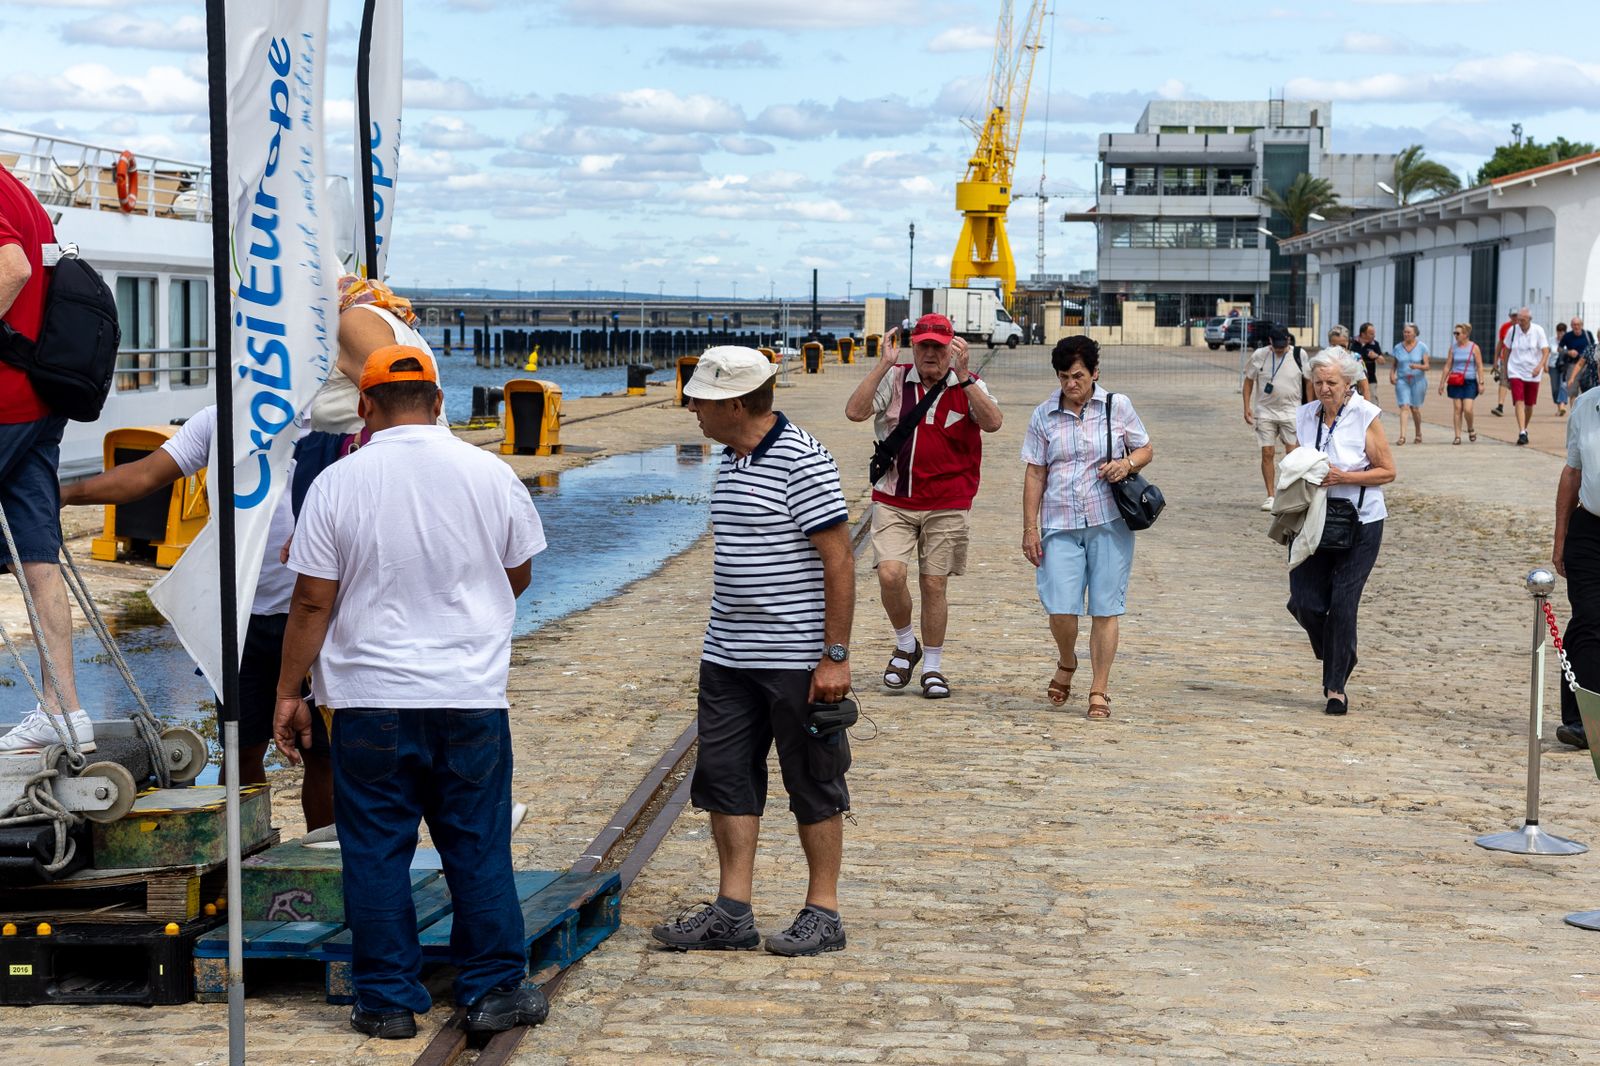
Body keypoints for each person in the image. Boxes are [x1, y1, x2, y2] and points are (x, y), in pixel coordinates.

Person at [273, 344, 548, 1039]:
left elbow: (310, 602)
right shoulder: (489, 472)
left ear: (364, 407)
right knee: (477, 846)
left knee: (375, 850)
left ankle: (388, 1001)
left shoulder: (338, 480)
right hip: (469, 696)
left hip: (368, 699)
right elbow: (516, 575)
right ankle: (492, 992)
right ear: (439, 401)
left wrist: (288, 693)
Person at [653, 346, 855, 958]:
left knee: (813, 783)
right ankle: (732, 910)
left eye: (702, 400)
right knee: (725, 780)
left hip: (794, 660)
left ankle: (824, 911)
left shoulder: (803, 461)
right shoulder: (733, 459)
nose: (691, 408)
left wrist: (835, 656)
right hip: (728, 655)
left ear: (736, 404)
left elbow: (840, 559)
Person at [59, 406, 333, 828]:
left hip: (318, 614)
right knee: (241, 751)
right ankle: (244, 859)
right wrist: (61, 493)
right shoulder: (221, 415)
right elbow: (144, 475)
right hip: (240, 617)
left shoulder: (331, 420)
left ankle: (328, 865)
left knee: (324, 753)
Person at [843, 313, 1003, 698]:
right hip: (894, 498)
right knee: (890, 575)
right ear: (913, 347)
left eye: (938, 346)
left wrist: (965, 379)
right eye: (923, 345)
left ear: (953, 349)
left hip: (948, 501)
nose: (930, 353)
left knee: (934, 584)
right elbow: (855, 411)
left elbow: (994, 422)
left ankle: (932, 666)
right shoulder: (895, 379)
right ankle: (905, 642)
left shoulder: (969, 384)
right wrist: (882, 363)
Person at [0, 163, 93, 754]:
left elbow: (13, 267)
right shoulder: (18, 187)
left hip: (5, 395)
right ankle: (65, 712)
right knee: (38, 555)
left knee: (36, 557)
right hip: (38, 396)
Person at [1021, 336, 1153, 721]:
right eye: (1063, 377)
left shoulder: (1118, 406)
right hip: (1059, 523)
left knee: (1104, 608)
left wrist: (1127, 465)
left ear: (1095, 372)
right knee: (1060, 607)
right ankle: (1067, 660)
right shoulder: (1043, 415)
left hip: (1109, 521)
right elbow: (1034, 472)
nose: (1070, 384)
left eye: (1077, 376)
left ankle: (1099, 688)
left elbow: (1145, 448)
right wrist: (1030, 527)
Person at [1288, 350, 1396, 716]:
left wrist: (1344, 477)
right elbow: (1295, 464)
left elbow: (1387, 472)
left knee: (1343, 604)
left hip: (1361, 521)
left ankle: (1335, 688)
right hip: (1314, 520)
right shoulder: (1304, 416)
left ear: (1347, 382)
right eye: (1317, 382)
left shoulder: (1364, 415)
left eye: (1331, 382)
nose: (1324, 389)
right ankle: (1340, 650)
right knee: (1304, 601)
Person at [1552, 385, 1600, 749]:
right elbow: (1572, 471)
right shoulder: (1586, 405)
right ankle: (1583, 722)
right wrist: (1560, 537)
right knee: (1589, 616)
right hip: (1589, 530)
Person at [1242, 326, 1307, 511]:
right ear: (1270, 341)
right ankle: (1270, 495)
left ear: (1288, 340)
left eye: (1283, 345)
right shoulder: (1259, 355)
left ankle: (1289, 493)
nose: (1280, 349)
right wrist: (1246, 407)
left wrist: (1310, 409)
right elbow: (1248, 381)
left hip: (1291, 411)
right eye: (1277, 346)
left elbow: (1309, 382)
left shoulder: (1299, 355)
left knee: (1293, 454)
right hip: (1265, 411)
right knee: (1267, 452)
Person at [1498, 307, 1550, 446]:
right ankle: (1521, 431)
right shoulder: (1513, 330)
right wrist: (1505, 369)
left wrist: (1540, 366)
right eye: (1519, 319)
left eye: (1523, 320)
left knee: (1529, 404)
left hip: (1533, 373)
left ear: (1529, 319)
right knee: (1518, 401)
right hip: (1515, 370)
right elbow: (1506, 350)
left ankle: (1524, 428)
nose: (1520, 322)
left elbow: (1545, 351)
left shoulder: (1538, 330)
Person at [1436, 323, 1483, 445]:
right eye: (1454, 333)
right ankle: (1457, 436)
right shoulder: (1453, 348)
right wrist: (1441, 383)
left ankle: (1470, 428)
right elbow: (1447, 366)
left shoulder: (1474, 347)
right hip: (1455, 380)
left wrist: (1481, 382)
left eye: (1458, 333)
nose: (1455, 336)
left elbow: (1479, 365)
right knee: (1457, 408)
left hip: (1470, 381)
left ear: (1466, 334)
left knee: (1467, 409)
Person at [1388, 323, 1430, 445]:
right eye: (1405, 332)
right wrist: (1392, 375)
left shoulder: (1422, 347)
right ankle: (1402, 436)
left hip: (1418, 380)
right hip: (1402, 380)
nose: (1406, 334)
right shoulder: (1398, 347)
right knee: (1404, 406)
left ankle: (1418, 433)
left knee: (1415, 408)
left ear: (1415, 334)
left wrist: (1417, 366)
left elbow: (1427, 366)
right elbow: (1395, 364)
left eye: (1409, 332)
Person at [1323, 325, 1370, 401]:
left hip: (1351, 404)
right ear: (1329, 343)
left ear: (1348, 343)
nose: (1339, 350)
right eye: (1334, 346)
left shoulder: (1356, 358)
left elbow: (1365, 387)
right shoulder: (1323, 358)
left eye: (1342, 346)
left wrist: (1367, 409)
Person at [1492, 307, 1519, 417]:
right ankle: (1500, 406)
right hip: (1505, 359)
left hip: (1519, 360)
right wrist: (1495, 360)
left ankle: (1519, 404)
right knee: (1503, 380)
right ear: (1510, 316)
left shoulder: (1524, 328)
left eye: (1517, 315)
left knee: (1516, 383)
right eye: (1513, 316)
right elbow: (1500, 344)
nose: (1515, 318)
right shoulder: (1505, 327)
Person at [1562, 317, 1595, 404]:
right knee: (1573, 392)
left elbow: (1593, 348)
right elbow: (1559, 349)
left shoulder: (1588, 334)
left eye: (1578, 324)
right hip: (1572, 365)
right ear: (1571, 326)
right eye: (1574, 325)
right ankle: (1574, 413)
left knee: (1587, 390)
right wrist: (1568, 352)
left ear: (1582, 325)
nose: (1576, 327)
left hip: (1587, 366)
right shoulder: (1567, 336)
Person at [1352, 322, 1383, 404]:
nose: (1374, 336)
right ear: (1363, 334)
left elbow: (1382, 361)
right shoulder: (1352, 342)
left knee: (1372, 401)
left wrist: (1376, 356)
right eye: (1371, 334)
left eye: (1374, 333)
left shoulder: (1375, 344)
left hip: (1370, 378)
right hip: (1354, 378)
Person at [1551, 319, 1574, 416]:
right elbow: (1547, 352)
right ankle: (1559, 406)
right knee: (1555, 388)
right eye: (1559, 331)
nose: (1560, 333)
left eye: (1562, 331)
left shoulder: (1568, 340)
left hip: (1565, 366)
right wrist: (1544, 365)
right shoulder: (1551, 340)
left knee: (1563, 385)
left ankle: (1562, 406)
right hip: (1553, 366)